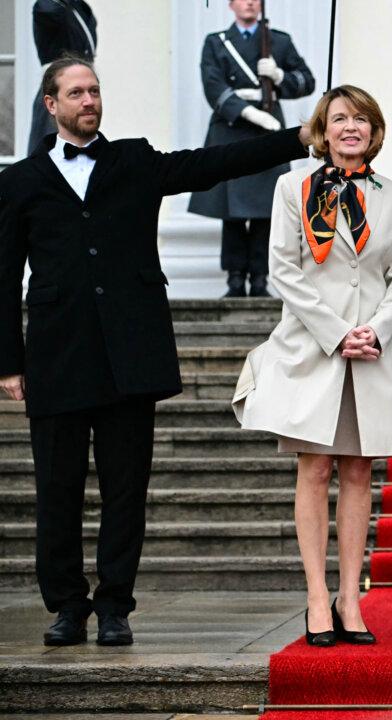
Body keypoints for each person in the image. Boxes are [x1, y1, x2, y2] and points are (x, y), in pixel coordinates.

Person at [0, 57, 311, 647]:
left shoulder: (134, 160)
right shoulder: (19, 181)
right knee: (57, 493)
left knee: (125, 490)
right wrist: (7, 361)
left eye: (94, 90)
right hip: (57, 356)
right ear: (51, 104)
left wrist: (295, 138)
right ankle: (67, 605)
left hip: (130, 356)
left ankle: (115, 605)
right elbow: (3, 273)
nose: (89, 100)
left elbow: (215, 163)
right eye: (76, 93)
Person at [233, 85, 392, 647]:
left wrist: (374, 331)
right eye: (340, 119)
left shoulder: (391, 194)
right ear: (323, 130)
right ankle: (317, 595)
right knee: (314, 469)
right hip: (312, 348)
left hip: (371, 353)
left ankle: (349, 599)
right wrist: (338, 334)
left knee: (358, 471)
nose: (350, 128)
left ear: (374, 131)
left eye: (361, 119)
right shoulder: (294, 188)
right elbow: (284, 271)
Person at [188, 0, 316, 297]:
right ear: (231, 4)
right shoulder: (216, 42)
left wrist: (280, 76)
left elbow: (306, 81)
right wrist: (247, 112)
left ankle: (260, 279)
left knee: (265, 208)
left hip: (269, 128)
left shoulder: (279, 41)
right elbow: (213, 85)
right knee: (230, 211)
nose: (249, 3)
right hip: (232, 128)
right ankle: (234, 279)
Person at [29, 0, 96, 151]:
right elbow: (47, 10)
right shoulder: (49, 6)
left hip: (82, 82)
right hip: (59, 84)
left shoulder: (79, 7)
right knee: (51, 152)